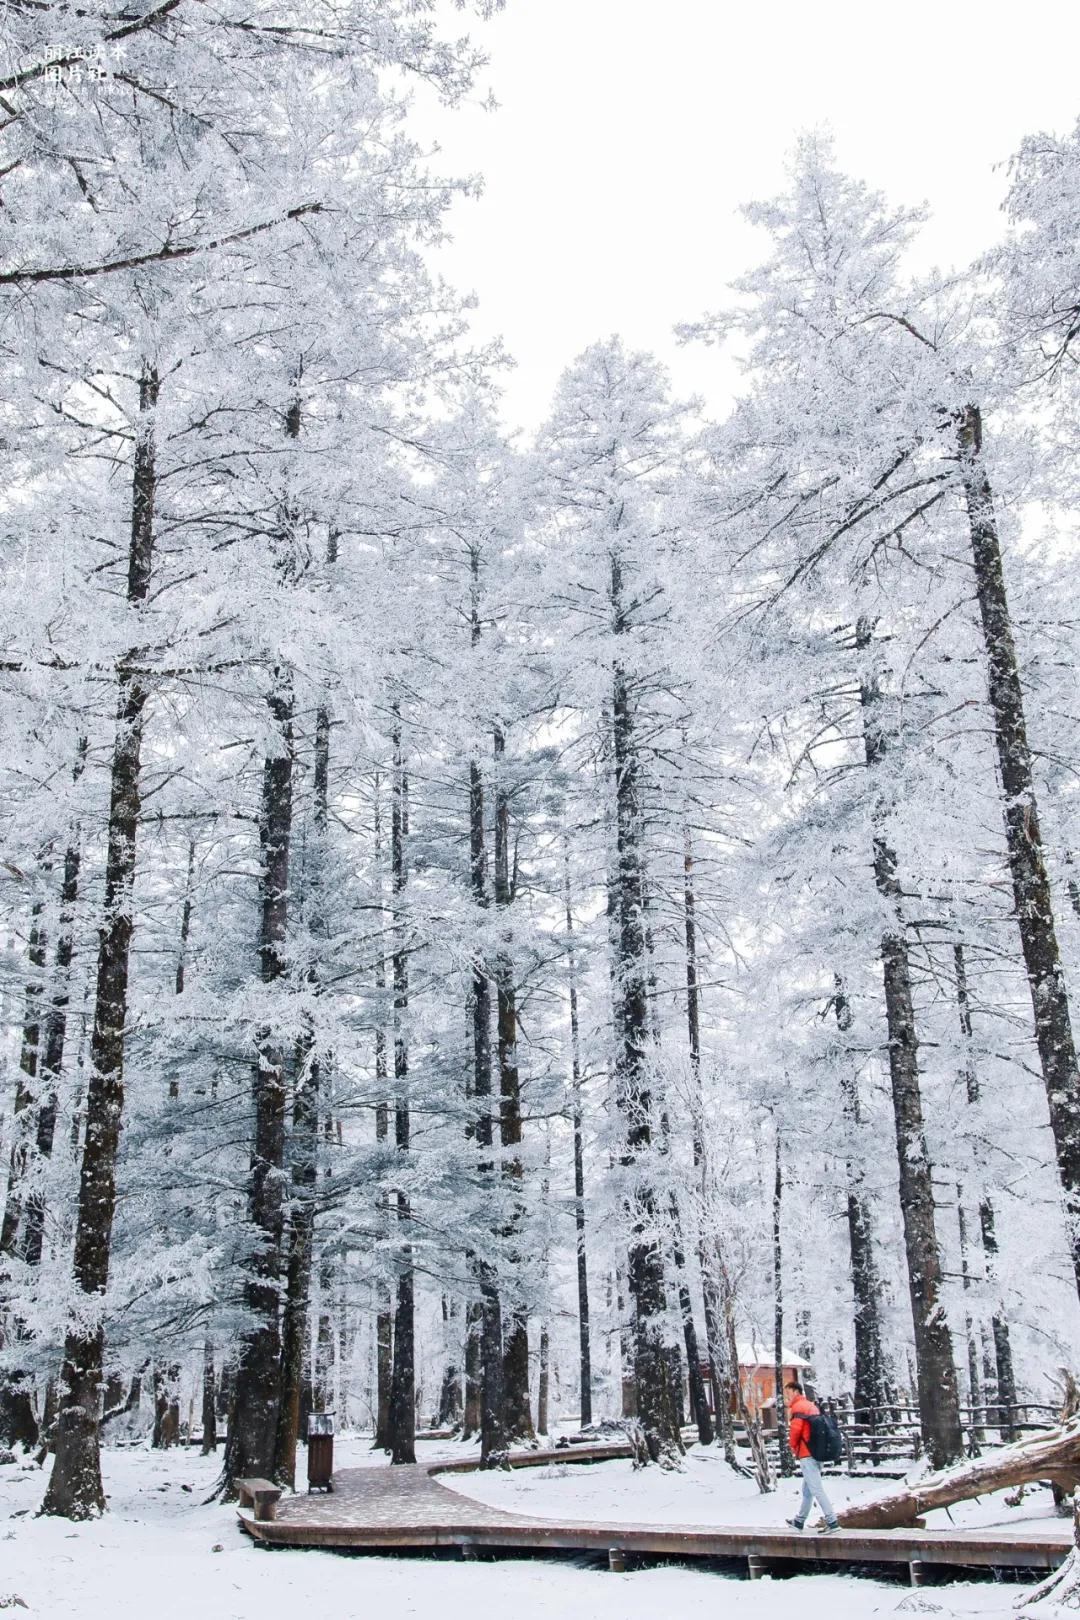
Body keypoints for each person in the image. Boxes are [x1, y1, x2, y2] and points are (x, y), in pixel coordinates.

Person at [784, 1378, 839, 1532]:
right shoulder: (811, 1406)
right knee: (808, 1490)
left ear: (795, 1391)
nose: (786, 1396)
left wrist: (792, 1446)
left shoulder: (798, 1408)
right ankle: (799, 1521)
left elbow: (796, 1431)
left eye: (788, 1393)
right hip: (817, 1451)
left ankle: (832, 1521)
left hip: (806, 1453)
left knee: (816, 1489)